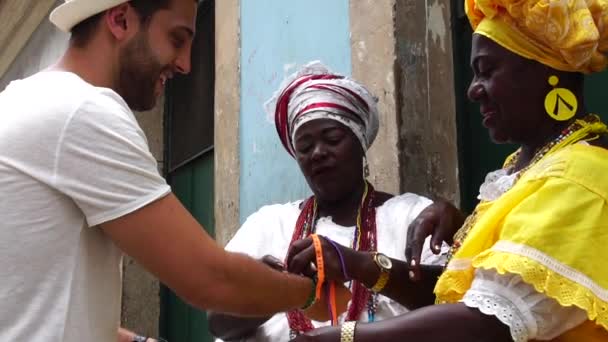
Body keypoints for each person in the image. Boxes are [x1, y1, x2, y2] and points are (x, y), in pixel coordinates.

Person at [288, 0, 608, 341]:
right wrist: (361, 264)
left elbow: (486, 323)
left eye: (486, 70)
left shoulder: (579, 176)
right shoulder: (522, 172)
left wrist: (342, 337)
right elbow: (457, 299)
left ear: (546, 71)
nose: (472, 90)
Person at [0, 1, 317, 341]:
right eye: (177, 39)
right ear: (120, 20)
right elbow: (208, 279)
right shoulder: (81, 111)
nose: (185, 64)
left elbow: (31, 301)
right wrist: (310, 292)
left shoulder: (20, 100)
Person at [207, 61, 449, 341]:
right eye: (305, 146)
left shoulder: (409, 214)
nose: (318, 153)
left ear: (360, 142)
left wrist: (357, 264)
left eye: (332, 138)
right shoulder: (269, 224)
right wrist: (272, 290)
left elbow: (451, 298)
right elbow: (217, 321)